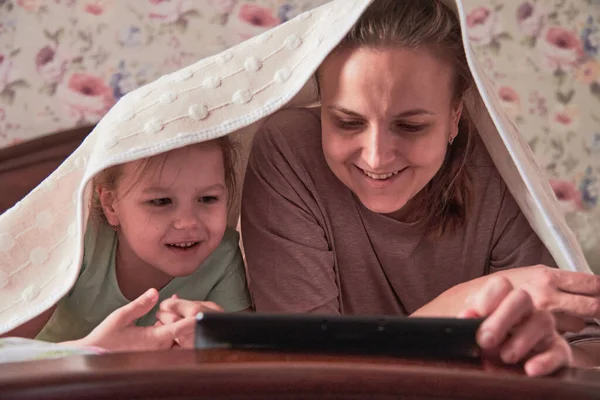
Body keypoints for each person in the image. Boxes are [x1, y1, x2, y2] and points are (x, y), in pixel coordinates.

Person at [240, 0, 600, 376]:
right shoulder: (289, 151)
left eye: (411, 127)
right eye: (348, 122)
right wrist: (471, 299)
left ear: (455, 115)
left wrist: (555, 358)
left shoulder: (493, 167)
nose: (376, 158)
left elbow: (586, 343)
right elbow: (309, 361)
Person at [1, 137, 251, 351]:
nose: (188, 222)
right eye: (161, 201)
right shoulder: (76, 244)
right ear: (111, 205)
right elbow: (9, 357)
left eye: (208, 198)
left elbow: (252, 363)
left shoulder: (222, 254)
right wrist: (90, 350)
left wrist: (226, 335)